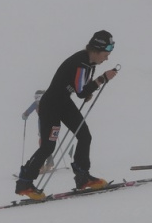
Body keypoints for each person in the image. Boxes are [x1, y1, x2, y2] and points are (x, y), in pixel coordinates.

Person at [15, 30, 119, 200]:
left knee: (85, 136)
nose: (107, 58)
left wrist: (88, 90)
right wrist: (103, 79)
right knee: (48, 146)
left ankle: (83, 177)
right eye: (106, 54)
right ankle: (24, 182)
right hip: (52, 106)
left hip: (63, 103)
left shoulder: (89, 63)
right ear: (97, 50)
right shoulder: (81, 63)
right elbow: (80, 92)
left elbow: (79, 88)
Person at [21, 89, 54, 173]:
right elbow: (28, 111)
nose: (36, 100)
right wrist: (25, 115)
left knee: (44, 144)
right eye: (35, 98)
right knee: (43, 144)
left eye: (37, 98)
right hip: (41, 125)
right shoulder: (36, 104)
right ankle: (48, 164)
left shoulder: (48, 103)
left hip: (49, 124)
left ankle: (43, 165)